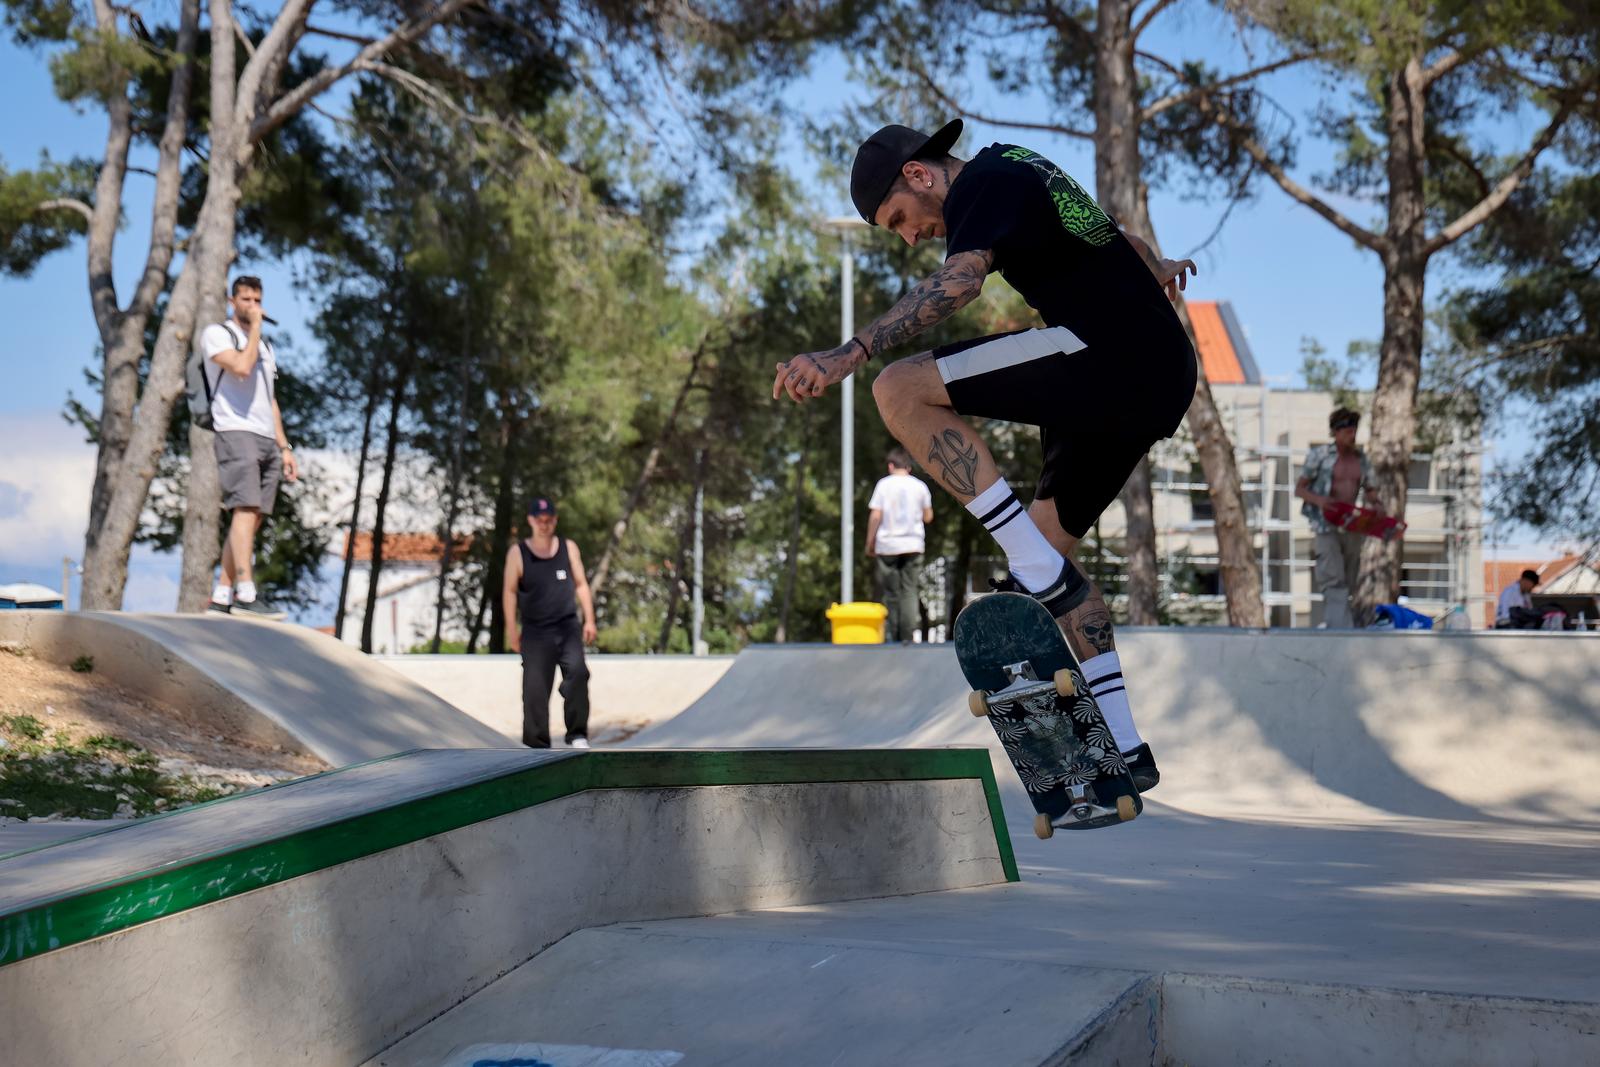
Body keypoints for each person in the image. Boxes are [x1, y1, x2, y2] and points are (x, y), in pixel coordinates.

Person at [772, 119, 1201, 792]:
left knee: (896, 387)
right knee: (1050, 557)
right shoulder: (1027, 167)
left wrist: (845, 354)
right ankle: (1123, 743)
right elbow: (1115, 231)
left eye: (902, 219)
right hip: (1157, 375)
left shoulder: (983, 182)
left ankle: (1032, 565)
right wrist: (1157, 266)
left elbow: (961, 282)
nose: (913, 236)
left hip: (1104, 354)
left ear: (920, 174)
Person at [202, 276, 297, 619]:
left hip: (265, 436)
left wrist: (284, 447)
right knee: (243, 508)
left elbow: (270, 400)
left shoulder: (266, 348)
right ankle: (246, 593)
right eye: (246, 299)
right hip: (234, 429)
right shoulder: (218, 335)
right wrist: (254, 329)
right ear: (232, 300)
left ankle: (222, 595)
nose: (252, 305)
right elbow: (241, 368)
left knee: (253, 517)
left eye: (257, 299)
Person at [503, 496, 597, 749]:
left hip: (567, 626)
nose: (544, 525)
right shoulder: (518, 553)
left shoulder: (568, 548)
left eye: (549, 520)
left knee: (578, 673)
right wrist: (512, 630)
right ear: (531, 521)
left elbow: (581, 585)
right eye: (539, 520)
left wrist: (589, 619)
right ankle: (537, 746)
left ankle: (577, 734)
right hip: (535, 630)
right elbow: (509, 591)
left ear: (554, 520)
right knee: (534, 690)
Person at [1293, 408, 1387, 629]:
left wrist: (1377, 506)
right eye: (1346, 430)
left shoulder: (1361, 460)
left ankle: (1345, 625)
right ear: (1335, 432)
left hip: (1350, 525)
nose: (1351, 435)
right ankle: (1340, 631)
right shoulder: (1320, 456)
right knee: (1333, 580)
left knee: (1349, 581)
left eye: (1354, 430)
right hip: (1325, 525)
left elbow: (1370, 490)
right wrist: (1320, 501)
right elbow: (1300, 489)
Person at [866, 447, 935, 642]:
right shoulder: (920, 486)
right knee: (910, 590)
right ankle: (907, 637)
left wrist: (870, 542)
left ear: (890, 466)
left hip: (888, 545)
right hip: (913, 544)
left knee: (892, 592)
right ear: (909, 467)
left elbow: (876, 515)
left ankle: (894, 636)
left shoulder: (883, 485)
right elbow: (928, 516)